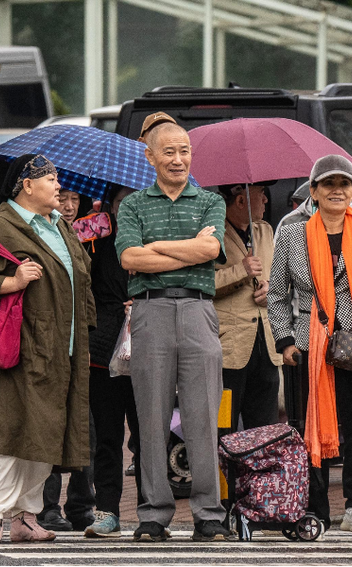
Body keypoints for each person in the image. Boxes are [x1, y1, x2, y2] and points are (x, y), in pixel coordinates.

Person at [0, 154, 96, 544]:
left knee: (45, 431)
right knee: (9, 430)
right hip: (20, 346)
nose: (57, 185)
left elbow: (81, 279)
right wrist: (13, 281)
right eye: (49, 179)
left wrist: (85, 335)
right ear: (26, 185)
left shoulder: (59, 226)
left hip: (62, 347)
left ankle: (27, 516)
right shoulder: (3, 225)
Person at [268, 154, 352, 543]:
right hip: (312, 344)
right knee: (314, 428)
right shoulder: (292, 231)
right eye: (328, 184)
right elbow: (278, 293)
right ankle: (316, 512)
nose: (336, 190)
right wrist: (285, 339)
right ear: (313, 191)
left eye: (344, 184)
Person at [115, 121, 232, 542]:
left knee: (203, 416)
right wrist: (186, 248)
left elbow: (211, 250)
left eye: (184, 150)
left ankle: (209, 514)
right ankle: (153, 514)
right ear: (150, 156)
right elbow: (130, 258)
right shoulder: (131, 206)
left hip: (200, 310)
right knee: (151, 417)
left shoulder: (210, 200)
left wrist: (157, 249)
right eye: (169, 152)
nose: (179, 159)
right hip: (150, 312)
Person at [37, 186, 97, 533]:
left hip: (78, 344)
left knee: (82, 425)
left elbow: (86, 287)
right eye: (63, 197)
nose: (69, 205)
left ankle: (81, 504)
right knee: (48, 425)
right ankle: (46, 507)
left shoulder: (75, 233)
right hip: (50, 342)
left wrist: (87, 332)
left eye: (75, 200)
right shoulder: (39, 230)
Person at [86, 185, 143, 538]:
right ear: (110, 205)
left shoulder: (154, 242)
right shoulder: (95, 242)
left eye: (134, 201)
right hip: (104, 348)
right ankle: (106, 511)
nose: (127, 207)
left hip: (147, 347)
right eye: (121, 201)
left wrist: (143, 302)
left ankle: (152, 510)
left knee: (148, 436)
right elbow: (83, 289)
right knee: (107, 436)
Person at [214, 182, 282, 430]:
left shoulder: (265, 231)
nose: (266, 200)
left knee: (264, 429)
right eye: (260, 194)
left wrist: (271, 290)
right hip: (228, 350)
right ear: (241, 201)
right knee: (223, 427)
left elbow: (280, 279)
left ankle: (258, 471)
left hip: (266, 347)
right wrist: (239, 272)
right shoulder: (210, 234)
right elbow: (201, 285)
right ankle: (224, 471)